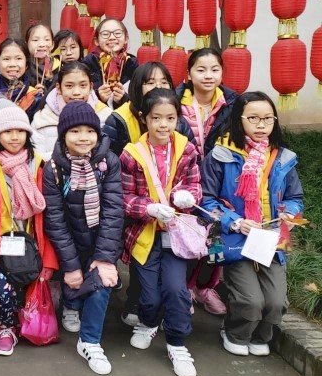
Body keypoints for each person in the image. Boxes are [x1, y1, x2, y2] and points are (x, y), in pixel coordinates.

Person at [201, 91, 303, 357]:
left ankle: (260, 337)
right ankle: (235, 333)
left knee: (276, 302)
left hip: (271, 238)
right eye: (254, 118)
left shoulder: (282, 158)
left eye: (268, 119)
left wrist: (289, 214)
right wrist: (235, 221)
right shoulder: (221, 155)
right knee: (250, 300)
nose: (261, 125)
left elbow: (294, 198)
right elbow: (206, 201)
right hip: (236, 238)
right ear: (239, 119)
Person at [102, 61, 194, 326]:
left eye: (164, 82)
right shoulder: (120, 119)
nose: (157, 87)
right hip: (137, 209)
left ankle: (170, 312)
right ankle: (140, 304)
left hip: (174, 218)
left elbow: (192, 176)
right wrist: (147, 207)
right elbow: (117, 175)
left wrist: (187, 197)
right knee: (143, 267)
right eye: (150, 82)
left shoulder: (182, 135)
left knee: (173, 275)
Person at [0, 99, 58, 356]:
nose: (14, 137)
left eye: (19, 131)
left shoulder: (40, 166)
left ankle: (24, 323)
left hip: (33, 244)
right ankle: (6, 327)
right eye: (7, 131)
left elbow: (50, 218)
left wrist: (50, 260)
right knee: (2, 290)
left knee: (27, 289)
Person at [120, 88, 202, 376]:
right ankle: (149, 321)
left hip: (176, 235)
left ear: (178, 118)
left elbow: (195, 186)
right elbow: (124, 197)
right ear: (145, 118)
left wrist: (187, 197)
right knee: (149, 296)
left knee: (176, 290)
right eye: (156, 118)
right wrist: (149, 208)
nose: (163, 125)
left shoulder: (187, 149)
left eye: (170, 118)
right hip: (144, 233)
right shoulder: (131, 154)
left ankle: (177, 344)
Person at [43, 101, 123, 375]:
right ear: (63, 134)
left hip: (102, 236)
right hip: (70, 239)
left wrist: (105, 257)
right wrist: (71, 265)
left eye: (89, 131)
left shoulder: (108, 162)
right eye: (75, 131)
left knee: (102, 283)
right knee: (74, 279)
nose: (83, 137)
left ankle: (90, 342)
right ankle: (72, 304)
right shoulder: (53, 168)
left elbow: (113, 210)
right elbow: (55, 219)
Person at [176, 48, 239, 315]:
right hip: (184, 179)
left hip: (218, 181)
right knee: (187, 235)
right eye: (200, 70)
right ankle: (184, 288)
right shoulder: (175, 101)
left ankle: (205, 287)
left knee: (215, 235)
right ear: (189, 74)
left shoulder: (233, 103)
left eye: (214, 69)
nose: (208, 75)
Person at [31, 60, 111, 161]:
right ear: (59, 88)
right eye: (69, 86)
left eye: (83, 85)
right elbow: (37, 159)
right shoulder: (42, 119)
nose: (76, 92)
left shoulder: (106, 116)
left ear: (91, 87)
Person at [0, 38, 43, 121]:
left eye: (18, 58)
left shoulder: (34, 96)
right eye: (6, 59)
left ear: (26, 64)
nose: (12, 64)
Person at [84, 18, 138, 108]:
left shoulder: (131, 63)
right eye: (105, 34)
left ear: (126, 39)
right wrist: (98, 96)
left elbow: (138, 96)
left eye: (117, 33)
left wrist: (123, 98)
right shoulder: (88, 63)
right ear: (96, 41)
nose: (112, 37)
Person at [25, 24, 57, 92]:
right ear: (26, 44)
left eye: (47, 39)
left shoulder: (59, 67)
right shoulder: (23, 67)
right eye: (35, 40)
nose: (42, 44)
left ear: (53, 44)